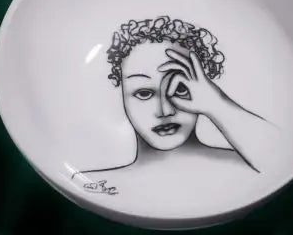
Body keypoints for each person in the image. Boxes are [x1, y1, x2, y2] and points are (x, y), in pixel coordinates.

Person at [72, 17, 273, 192]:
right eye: (144, 93)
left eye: (181, 88)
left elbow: (279, 160)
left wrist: (216, 103)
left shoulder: (247, 168)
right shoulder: (95, 185)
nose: (165, 110)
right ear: (123, 95)